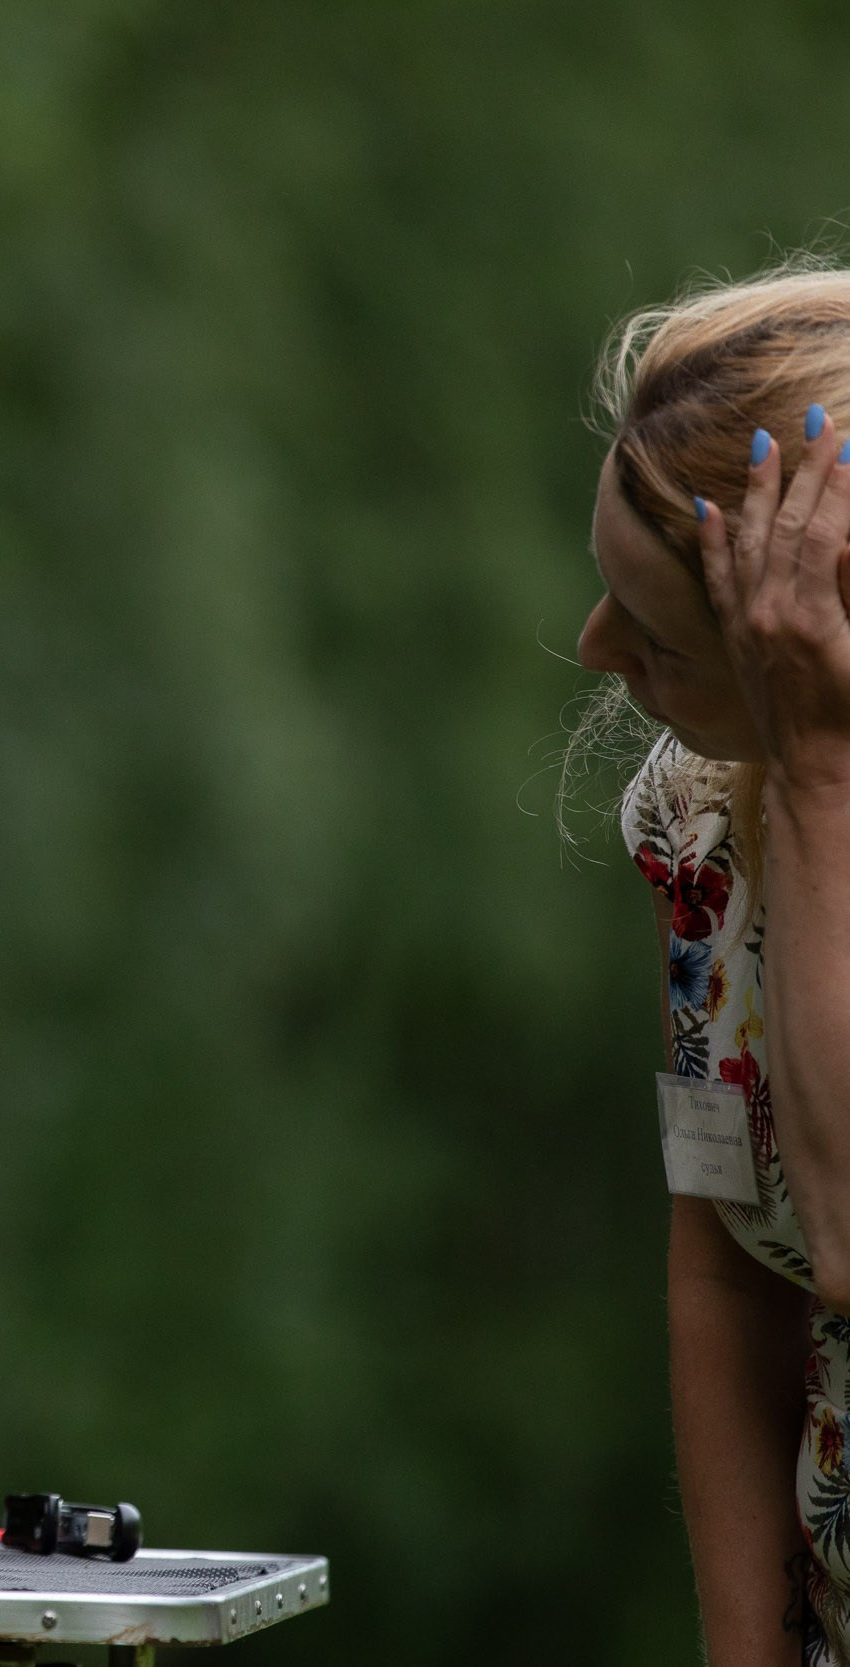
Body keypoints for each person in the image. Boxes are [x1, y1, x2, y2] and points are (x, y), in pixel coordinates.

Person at [582, 266, 850, 1666]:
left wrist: (819, 773)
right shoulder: (701, 819)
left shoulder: (788, 773)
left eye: (656, 637)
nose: (590, 650)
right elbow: (730, 1260)